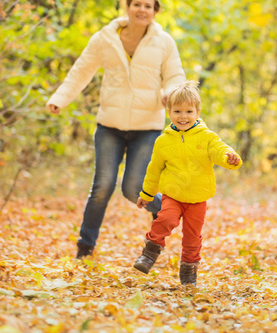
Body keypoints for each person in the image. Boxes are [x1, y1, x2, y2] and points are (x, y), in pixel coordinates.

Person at [46, 0, 186, 259]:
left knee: (133, 188)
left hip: (147, 127)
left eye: (148, 5)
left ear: (155, 11)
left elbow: (175, 75)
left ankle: (165, 209)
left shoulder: (164, 42)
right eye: (136, 4)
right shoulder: (105, 38)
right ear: (127, 7)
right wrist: (59, 98)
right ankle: (85, 247)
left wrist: (171, 93)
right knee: (102, 186)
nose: (142, 9)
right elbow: (81, 71)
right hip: (109, 126)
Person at [132, 80, 242, 285]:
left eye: (189, 111)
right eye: (177, 111)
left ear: (198, 112)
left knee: (192, 237)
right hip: (173, 194)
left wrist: (230, 157)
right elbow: (154, 170)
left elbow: (220, 150)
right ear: (169, 112)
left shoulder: (207, 137)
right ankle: (149, 253)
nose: (183, 116)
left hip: (198, 198)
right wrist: (146, 195)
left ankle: (189, 271)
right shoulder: (163, 141)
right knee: (165, 220)